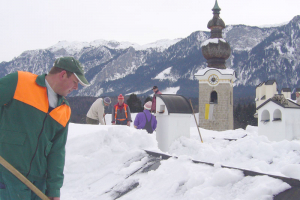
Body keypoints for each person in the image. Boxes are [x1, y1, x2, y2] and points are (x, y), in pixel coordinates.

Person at [0, 57, 90, 200]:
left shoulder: (64, 110)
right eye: (74, 82)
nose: (76, 88)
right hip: (7, 176)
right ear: (62, 75)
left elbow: (57, 152)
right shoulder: (19, 82)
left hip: (37, 185)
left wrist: (54, 190)